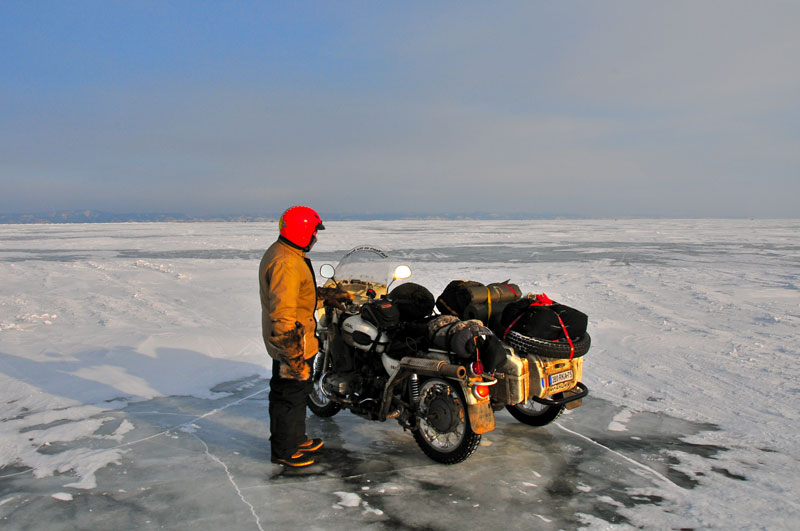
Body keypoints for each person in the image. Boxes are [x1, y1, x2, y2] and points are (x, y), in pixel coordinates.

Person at [259, 205, 351, 468]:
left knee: (298, 395)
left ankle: (296, 438)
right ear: (302, 232)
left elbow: (299, 294)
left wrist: (326, 295)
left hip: (301, 339)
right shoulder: (286, 263)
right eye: (313, 231)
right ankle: (285, 450)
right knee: (288, 397)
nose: (315, 237)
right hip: (292, 344)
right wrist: (293, 356)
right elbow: (283, 310)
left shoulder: (289, 253)